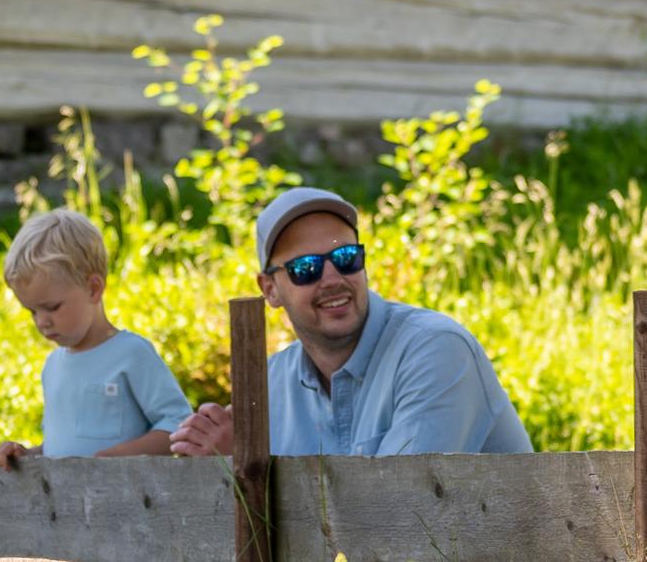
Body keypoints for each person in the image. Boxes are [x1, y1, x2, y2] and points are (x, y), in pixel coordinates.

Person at [167, 185, 531, 458]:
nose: (331, 278)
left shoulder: (437, 350)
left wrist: (246, 464)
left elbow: (400, 513)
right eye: (305, 268)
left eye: (345, 257)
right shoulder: (270, 382)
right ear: (270, 290)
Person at [0, 208, 190, 470]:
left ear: (93, 288)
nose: (41, 321)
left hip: (127, 504)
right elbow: (60, 450)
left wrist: (117, 459)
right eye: (32, 311)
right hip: (67, 508)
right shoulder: (53, 367)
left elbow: (178, 424)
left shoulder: (131, 353)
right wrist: (27, 456)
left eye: (52, 307)